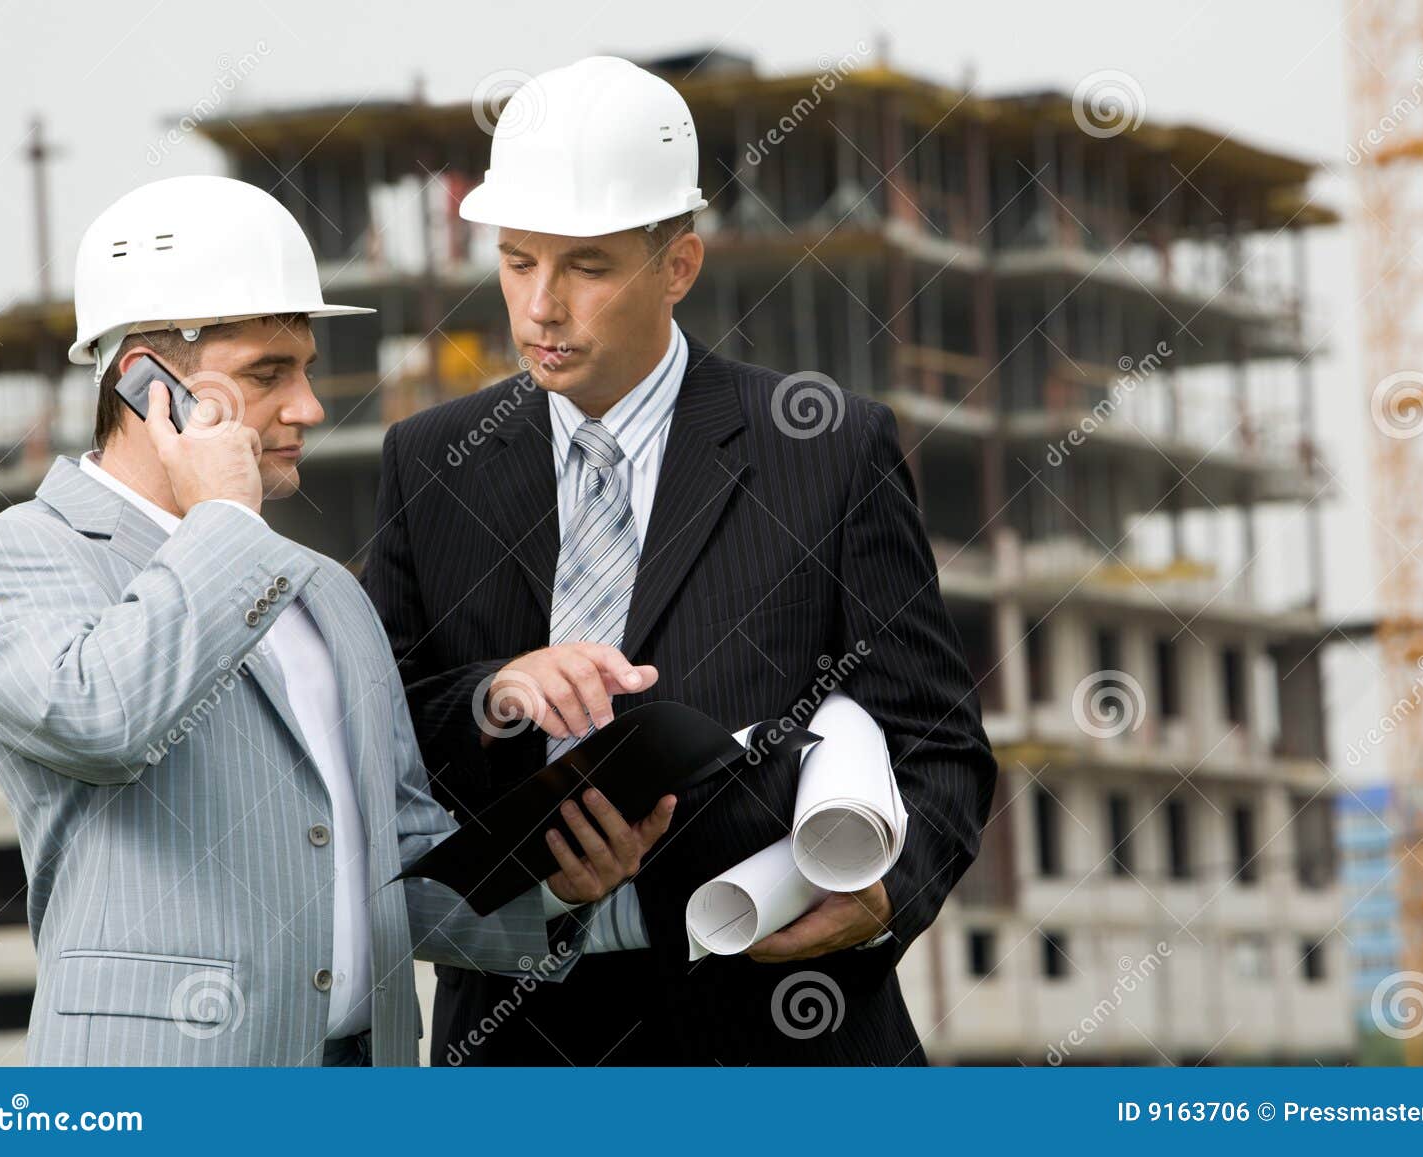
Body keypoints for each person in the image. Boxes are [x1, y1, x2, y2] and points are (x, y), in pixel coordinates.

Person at [0, 175, 673, 1067]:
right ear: (145, 385)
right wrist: (226, 521)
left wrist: (558, 888)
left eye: (307, 368)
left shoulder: (324, 590)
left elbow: (394, 857)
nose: (309, 407)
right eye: (268, 374)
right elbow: (103, 718)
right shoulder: (5, 557)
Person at [362, 56, 997, 1066]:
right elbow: (381, 737)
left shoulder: (822, 449)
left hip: (783, 1035)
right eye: (518, 261)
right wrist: (495, 695)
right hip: (527, 1044)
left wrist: (885, 893)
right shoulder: (434, 463)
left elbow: (937, 738)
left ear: (679, 266)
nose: (540, 309)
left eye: (587, 266)